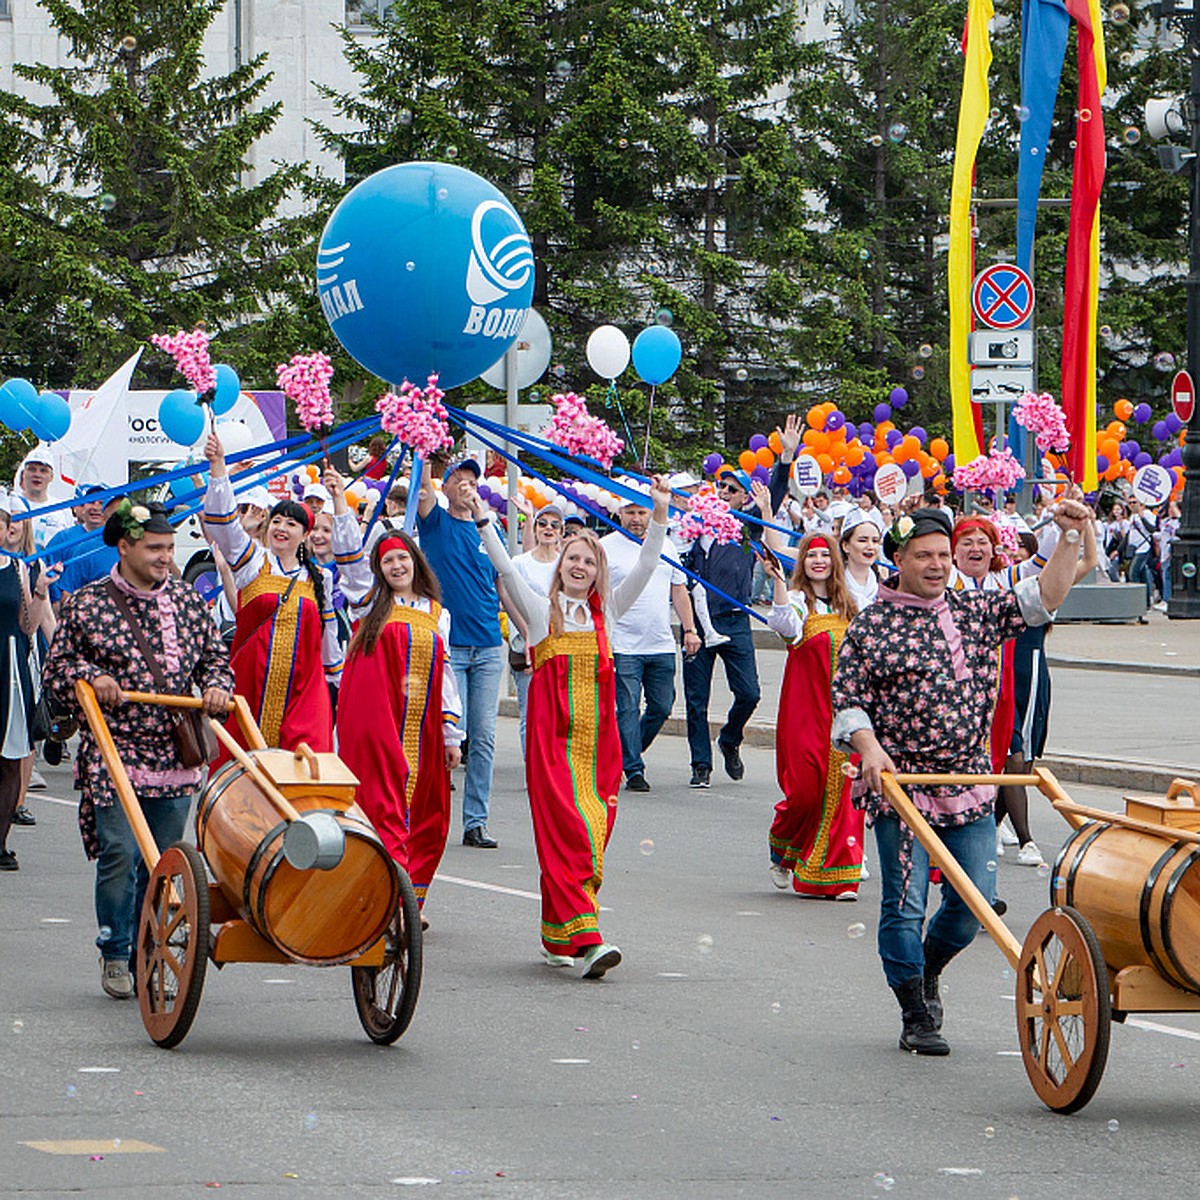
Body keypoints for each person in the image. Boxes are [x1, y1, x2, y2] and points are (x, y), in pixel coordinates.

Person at [830, 500, 1092, 1056]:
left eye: (943, 555)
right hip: (900, 790)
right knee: (903, 905)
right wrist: (870, 748)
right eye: (923, 554)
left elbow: (1045, 596)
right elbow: (848, 703)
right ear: (898, 558)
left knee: (976, 904)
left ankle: (926, 969)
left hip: (969, 784)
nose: (936, 564)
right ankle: (914, 1013)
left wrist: (1069, 538)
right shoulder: (872, 624)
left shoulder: (975, 611)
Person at [476, 476, 672, 978]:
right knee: (573, 834)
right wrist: (482, 515)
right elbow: (503, 565)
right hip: (553, 749)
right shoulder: (542, 613)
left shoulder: (611, 612)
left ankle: (556, 934)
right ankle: (587, 939)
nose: (580, 566)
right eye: (572, 559)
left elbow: (650, 564)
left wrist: (660, 511)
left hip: (600, 752)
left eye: (588, 560)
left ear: (597, 570)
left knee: (593, 834)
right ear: (559, 566)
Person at [42, 500, 232, 998]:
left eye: (169, 547)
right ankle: (116, 950)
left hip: (176, 752)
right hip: (115, 750)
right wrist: (91, 676)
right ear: (124, 547)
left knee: (166, 863)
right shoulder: (88, 603)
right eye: (154, 548)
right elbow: (56, 673)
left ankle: (156, 952)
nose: (165, 557)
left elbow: (216, 658)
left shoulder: (191, 602)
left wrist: (214, 687)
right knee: (121, 854)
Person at [202, 432, 368, 754]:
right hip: (251, 686)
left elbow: (328, 635)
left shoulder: (319, 577)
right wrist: (218, 467)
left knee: (302, 774)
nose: (281, 527)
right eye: (276, 520)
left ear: (305, 534)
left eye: (291, 524)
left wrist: (337, 500)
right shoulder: (253, 562)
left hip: (304, 694)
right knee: (244, 772)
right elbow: (222, 524)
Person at [337, 531, 463, 914]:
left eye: (402, 558)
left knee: (428, 813)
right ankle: (386, 897)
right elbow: (350, 563)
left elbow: (445, 673)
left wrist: (450, 734)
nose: (396, 566)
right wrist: (342, 501)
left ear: (415, 562)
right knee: (382, 804)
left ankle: (408, 901)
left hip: (422, 724)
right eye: (388, 560)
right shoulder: (371, 604)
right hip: (380, 724)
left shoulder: (437, 613)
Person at [682, 415, 799, 788]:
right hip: (699, 622)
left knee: (749, 693)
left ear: (744, 497)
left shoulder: (743, 525)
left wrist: (785, 458)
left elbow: (775, 498)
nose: (724, 493)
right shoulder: (695, 524)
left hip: (734, 619)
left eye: (732, 490)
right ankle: (700, 765)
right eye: (721, 487)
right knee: (696, 699)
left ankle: (730, 739)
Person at [761, 532, 864, 898]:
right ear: (802, 563)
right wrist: (776, 582)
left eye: (825, 555)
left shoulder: (848, 605)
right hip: (804, 712)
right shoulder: (800, 604)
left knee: (842, 794)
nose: (819, 560)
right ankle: (783, 849)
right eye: (811, 555)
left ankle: (837, 876)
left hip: (845, 714)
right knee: (805, 792)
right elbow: (785, 626)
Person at [417, 453, 510, 848]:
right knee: (450, 734)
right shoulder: (435, 521)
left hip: (489, 644)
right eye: (458, 478)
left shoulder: (489, 531)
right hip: (449, 646)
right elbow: (421, 491)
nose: (466, 484)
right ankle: (433, 814)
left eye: (472, 478)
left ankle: (476, 821)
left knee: (484, 737)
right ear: (447, 485)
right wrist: (422, 449)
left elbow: (503, 583)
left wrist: (525, 632)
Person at [601, 490, 699, 792]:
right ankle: (633, 769)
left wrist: (689, 628)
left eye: (642, 512)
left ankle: (626, 751)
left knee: (662, 706)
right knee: (627, 708)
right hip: (622, 644)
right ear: (619, 513)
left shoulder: (665, 545)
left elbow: (678, 590)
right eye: (629, 512)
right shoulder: (605, 547)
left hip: (659, 643)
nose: (636, 518)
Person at [0, 504, 55, 871]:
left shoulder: (19, 567)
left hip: (8, 665)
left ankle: (0, 842)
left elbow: (28, 626)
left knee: (8, 761)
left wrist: (38, 594)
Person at [507, 502, 563, 752]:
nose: (548, 529)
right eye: (543, 524)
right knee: (530, 712)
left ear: (561, 532)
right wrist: (525, 640)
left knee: (557, 713)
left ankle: (553, 766)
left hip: (559, 647)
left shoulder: (566, 564)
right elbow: (514, 601)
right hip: (528, 646)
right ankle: (533, 769)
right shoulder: (520, 563)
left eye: (554, 525)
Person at [13, 446, 74, 553]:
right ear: (23, 474)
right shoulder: (11, 504)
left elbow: (68, 545)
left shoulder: (62, 509)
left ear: (51, 476)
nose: (37, 475)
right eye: (32, 469)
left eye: (43, 471)